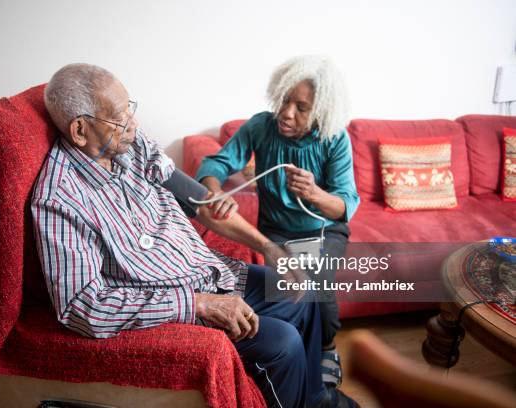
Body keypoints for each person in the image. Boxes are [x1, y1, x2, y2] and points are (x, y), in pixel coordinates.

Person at [31, 63, 358, 408]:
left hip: (207, 274)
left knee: (300, 293)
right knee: (283, 342)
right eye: (120, 116)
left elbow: (201, 203)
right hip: (171, 302)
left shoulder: (131, 145)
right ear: (80, 130)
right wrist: (199, 303)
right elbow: (83, 307)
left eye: (131, 108)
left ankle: (315, 398)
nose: (134, 124)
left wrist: (268, 247)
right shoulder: (60, 201)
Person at [196, 55, 361, 388]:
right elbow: (214, 165)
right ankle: (291, 352)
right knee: (283, 290)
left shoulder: (335, 138)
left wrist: (314, 193)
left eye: (302, 107)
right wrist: (215, 193)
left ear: (321, 111)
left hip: (322, 229)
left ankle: (327, 350)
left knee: (314, 290)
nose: (287, 113)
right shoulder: (261, 126)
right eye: (285, 100)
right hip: (275, 229)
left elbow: (344, 206)